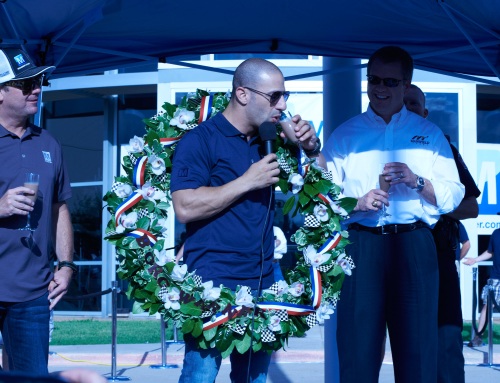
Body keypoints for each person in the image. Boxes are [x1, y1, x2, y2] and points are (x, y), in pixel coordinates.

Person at [319, 46, 465, 383]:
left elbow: (454, 195)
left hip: (415, 244)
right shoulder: (345, 134)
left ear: (406, 83)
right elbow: (320, 196)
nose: (379, 89)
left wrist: (418, 181)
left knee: (418, 352)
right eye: (373, 80)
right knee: (356, 351)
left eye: (389, 81)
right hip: (361, 245)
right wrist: (356, 202)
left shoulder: (429, 135)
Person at [170, 58, 319, 383]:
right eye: (275, 96)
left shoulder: (273, 140)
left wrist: (309, 146)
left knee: (255, 379)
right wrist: (246, 181)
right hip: (211, 279)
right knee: (200, 375)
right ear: (242, 94)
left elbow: (324, 184)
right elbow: (184, 206)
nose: (283, 105)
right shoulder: (201, 139)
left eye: (285, 95)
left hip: (265, 277)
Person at [0, 48, 75, 374]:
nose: (37, 89)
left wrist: (67, 265)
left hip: (32, 293)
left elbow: (60, 207)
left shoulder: (48, 142)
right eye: (26, 83)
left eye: (39, 81)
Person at [404, 84, 480, 383]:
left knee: (446, 343)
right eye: (403, 103)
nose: (407, 108)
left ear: (425, 113)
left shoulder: (443, 148)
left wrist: (429, 197)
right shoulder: (374, 147)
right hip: (393, 256)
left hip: (438, 256)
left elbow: (471, 207)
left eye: (413, 104)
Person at [463, 228, 500, 347]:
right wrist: (475, 260)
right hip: (495, 277)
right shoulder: (496, 233)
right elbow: (490, 252)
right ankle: (478, 337)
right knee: (487, 307)